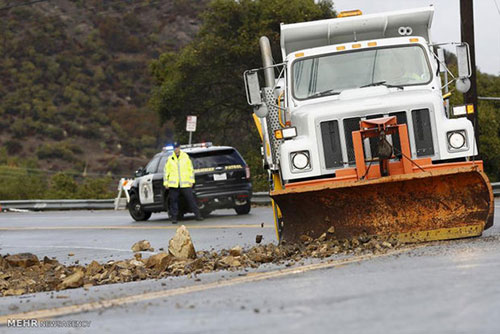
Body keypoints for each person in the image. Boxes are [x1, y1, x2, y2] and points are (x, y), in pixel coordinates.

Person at [164, 142, 203, 224]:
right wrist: (166, 183)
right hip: (174, 184)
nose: (176, 149)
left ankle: (198, 215)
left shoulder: (185, 157)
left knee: (191, 200)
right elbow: (166, 172)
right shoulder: (170, 158)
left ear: (179, 147)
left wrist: (192, 181)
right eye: (175, 148)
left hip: (185, 183)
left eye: (177, 147)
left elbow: (190, 170)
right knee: (173, 201)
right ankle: (174, 218)